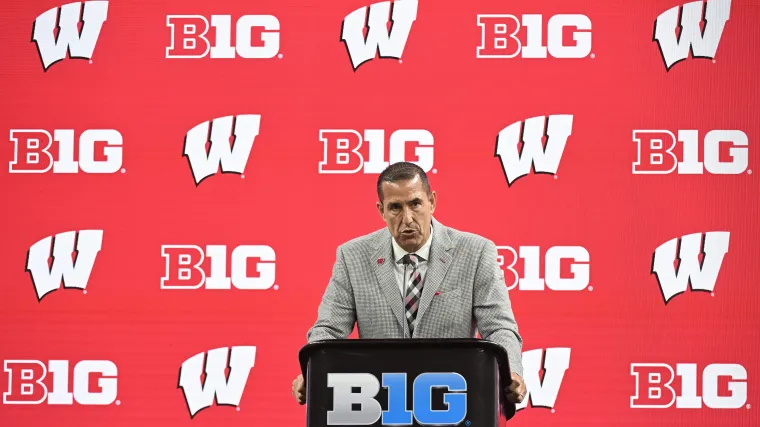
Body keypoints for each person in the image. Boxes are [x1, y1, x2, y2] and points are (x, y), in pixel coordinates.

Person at [292, 161, 526, 406]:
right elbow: (328, 330)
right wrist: (311, 371)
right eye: (395, 207)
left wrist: (511, 372)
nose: (408, 218)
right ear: (381, 210)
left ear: (432, 202)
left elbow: (499, 328)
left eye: (415, 204)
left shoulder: (476, 252)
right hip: (379, 404)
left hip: (452, 401)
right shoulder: (352, 256)